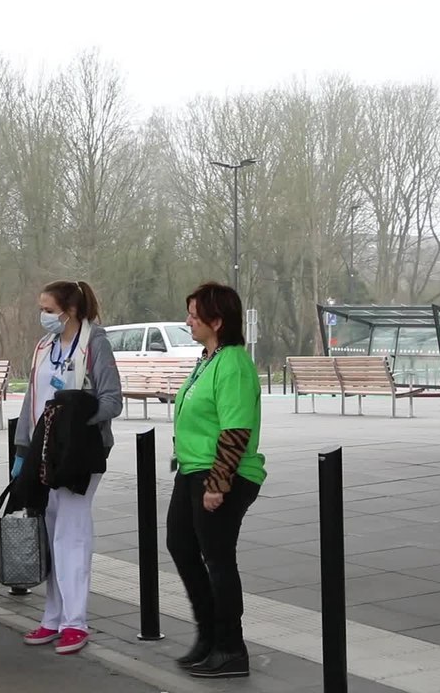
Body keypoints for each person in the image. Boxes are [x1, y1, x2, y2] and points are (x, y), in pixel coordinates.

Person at [12, 281, 122, 656]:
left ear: (70, 310)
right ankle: (53, 616)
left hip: (79, 453)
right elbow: (31, 398)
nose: (43, 316)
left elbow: (112, 400)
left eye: (48, 309)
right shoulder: (44, 347)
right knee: (50, 531)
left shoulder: (95, 344)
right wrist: (22, 450)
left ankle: (75, 622)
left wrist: (74, 420)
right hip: (44, 453)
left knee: (71, 534)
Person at [166, 282, 266, 679]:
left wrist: (218, 484)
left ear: (218, 321)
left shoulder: (233, 364)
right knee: (180, 545)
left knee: (218, 560)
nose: (188, 321)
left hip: (220, 474)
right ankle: (208, 636)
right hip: (193, 469)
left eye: (195, 315)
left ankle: (230, 648)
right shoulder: (208, 359)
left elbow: (236, 429)